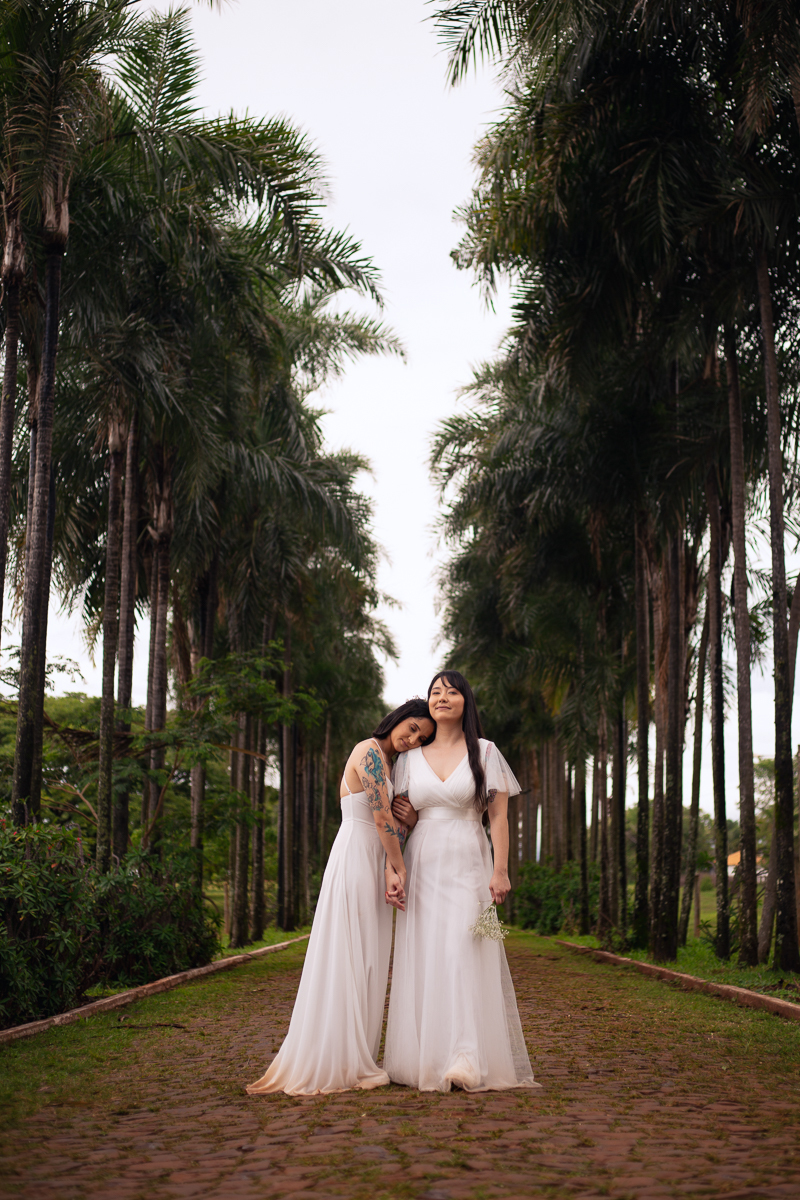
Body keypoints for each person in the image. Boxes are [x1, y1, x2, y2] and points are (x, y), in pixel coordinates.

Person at [246, 699, 435, 1097]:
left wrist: (408, 831)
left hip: (378, 860)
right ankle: (337, 1056)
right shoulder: (367, 751)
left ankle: (358, 1055)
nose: (412, 739)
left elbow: (397, 825)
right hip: (354, 857)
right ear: (399, 716)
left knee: (370, 956)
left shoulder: (393, 766)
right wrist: (399, 868)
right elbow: (381, 819)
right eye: (413, 728)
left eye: (421, 738)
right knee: (348, 953)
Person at [385, 671, 536, 1093]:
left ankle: (466, 1056)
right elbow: (400, 820)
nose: (442, 697)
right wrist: (393, 869)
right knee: (427, 954)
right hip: (423, 864)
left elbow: (500, 817)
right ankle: (424, 1056)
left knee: (464, 953)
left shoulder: (485, 752)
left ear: (466, 702)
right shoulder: (408, 760)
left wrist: (500, 870)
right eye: (435, 692)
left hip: (471, 861)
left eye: (452, 692)